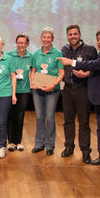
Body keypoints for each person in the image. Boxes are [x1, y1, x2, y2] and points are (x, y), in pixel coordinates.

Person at [58, 28, 100, 170]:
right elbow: (97, 70)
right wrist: (87, 74)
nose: (99, 42)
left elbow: (93, 65)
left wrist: (72, 62)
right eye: (98, 39)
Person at [60, 25, 98, 164]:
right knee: (68, 121)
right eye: (70, 34)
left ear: (80, 34)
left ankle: (85, 151)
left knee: (84, 122)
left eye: (75, 34)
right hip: (68, 90)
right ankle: (69, 147)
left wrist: (86, 74)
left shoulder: (90, 49)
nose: (73, 37)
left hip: (83, 90)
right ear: (67, 36)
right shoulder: (64, 50)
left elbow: (96, 68)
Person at [30, 27, 64, 156]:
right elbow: (33, 70)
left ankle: (50, 145)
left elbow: (61, 73)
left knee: (49, 118)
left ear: (52, 39)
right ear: (41, 38)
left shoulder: (58, 53)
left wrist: (54, 85)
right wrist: (33, 81)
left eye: (48, 37)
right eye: (44, 37)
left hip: (52, 90)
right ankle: (39, 144)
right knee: (39, 117)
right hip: (38, 90)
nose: (46, 39)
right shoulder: (36, 54)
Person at [6, 33, 32, 152]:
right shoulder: (9, 55)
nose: (21, 45)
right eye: (19, 42)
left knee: (20, 116)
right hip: (10, 90)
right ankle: (11, 141)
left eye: (23, 43)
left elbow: (34, 73)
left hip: (24, 91)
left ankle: (19, 142)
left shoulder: (31, 57)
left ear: (27, 44)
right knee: (10, 116)